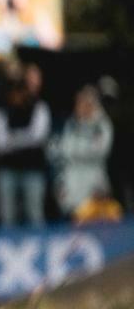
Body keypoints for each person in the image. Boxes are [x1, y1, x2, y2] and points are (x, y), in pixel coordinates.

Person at [0, 75, 51, 227]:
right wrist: (25, 138)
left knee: (35, 215)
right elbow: (0, 143)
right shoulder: (2, 111)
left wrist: (13, 139)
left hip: (33, 168)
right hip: (8, 169)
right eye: (14, 92)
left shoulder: (39, 107)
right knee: (7, 216)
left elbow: (38, 136)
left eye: (20, 92)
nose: (17, 96)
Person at [51, 86, 114, 220]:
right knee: (73, 218)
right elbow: (63, 150)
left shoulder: (102, 124)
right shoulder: (71, 123)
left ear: (90, 104)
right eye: (77, 102)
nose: (78, 106)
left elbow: (100, 151)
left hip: (94, 181)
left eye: (82, 102)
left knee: (96, 221)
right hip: (72, 181)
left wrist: (74, 151)